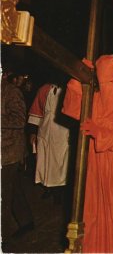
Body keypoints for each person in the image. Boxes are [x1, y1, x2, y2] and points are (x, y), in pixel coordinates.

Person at [62, 54, 113, 253]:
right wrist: (77, 77)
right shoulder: (94, 100)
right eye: (103, 82)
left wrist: (101, 133)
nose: (108, 87)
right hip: (97, 165)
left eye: (112, 81)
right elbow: (71, 108)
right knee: (95, 213)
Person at [1, 75, 34, 244]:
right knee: (12, 188)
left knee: (3, 198)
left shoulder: (11, 91)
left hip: (9, 152)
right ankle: (26, 220)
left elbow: (20, 120)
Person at [28, 81, 70, 203]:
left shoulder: (69, 89)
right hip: (45, 129)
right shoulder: (44, 89)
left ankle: (59, 192)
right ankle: (48, 187)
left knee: (60, 163)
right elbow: (37, 111)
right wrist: (32, 132)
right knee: (45, 160)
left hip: (62, 131)